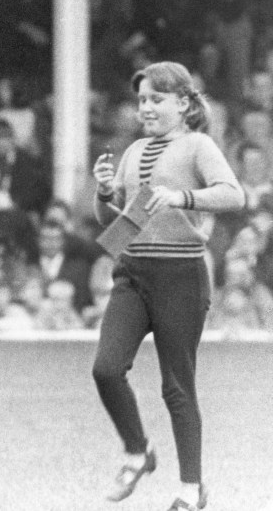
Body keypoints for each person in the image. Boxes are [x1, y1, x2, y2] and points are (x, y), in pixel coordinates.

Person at [91, 61, 244, 511]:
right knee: (105, 368)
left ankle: (191, 492)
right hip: (133, 274)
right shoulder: (136, 150)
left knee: (177, 386)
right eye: (141, 100)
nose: (146, 108)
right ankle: (139, 452)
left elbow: (234, 194)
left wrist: (183, 197)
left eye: (156, 99)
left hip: (181, 276)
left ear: (183, 102)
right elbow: (115, 227)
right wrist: (104, 195)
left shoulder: (197, 145)